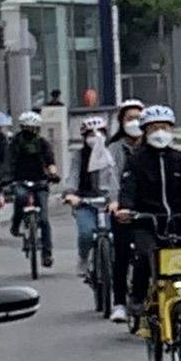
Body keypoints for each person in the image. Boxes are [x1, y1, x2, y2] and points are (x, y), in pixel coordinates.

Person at [115, 104, 181, 349]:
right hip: (146, 224)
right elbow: (127, 189)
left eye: (164, 127)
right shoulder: (136, 161)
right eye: (154, 128)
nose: (160, 132)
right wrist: (126, 209)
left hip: (178, 225)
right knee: (144, 256)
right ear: (145, 131)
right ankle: (137, 298)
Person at [62, 115, 119, 281]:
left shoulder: (111, 154)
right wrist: (70, 194)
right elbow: (73, 176)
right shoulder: (79, 156)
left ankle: (114, 267)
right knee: (86, 234)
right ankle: (84, 258)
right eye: (91, 134)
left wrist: (115, 199)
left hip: (109, 203)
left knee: (113, 235)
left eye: (100, 133)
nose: (96, 137)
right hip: (85, 202)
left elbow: (116, 179)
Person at [105, 99, 146, 321]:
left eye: (138, 118)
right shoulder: (114, 148)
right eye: (129, 119)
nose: (134, 123)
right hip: (123, 210)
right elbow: (111, 177)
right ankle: (119, 302)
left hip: (150, 209)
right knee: (122, 254)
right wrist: (114, 201)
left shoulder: (152, 147)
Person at [4, 110, 60, 267]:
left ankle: (47, 253)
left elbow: (50, 161)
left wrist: (53, 174)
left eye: (33, 128)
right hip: (20, 180)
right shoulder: (15, 144)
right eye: (27, 128)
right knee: (20, 197)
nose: (30, 131)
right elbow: (8, 162)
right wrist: (7, 178)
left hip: (40, 181)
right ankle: (16, 223)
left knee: (43, 219)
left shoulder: (43, 143)